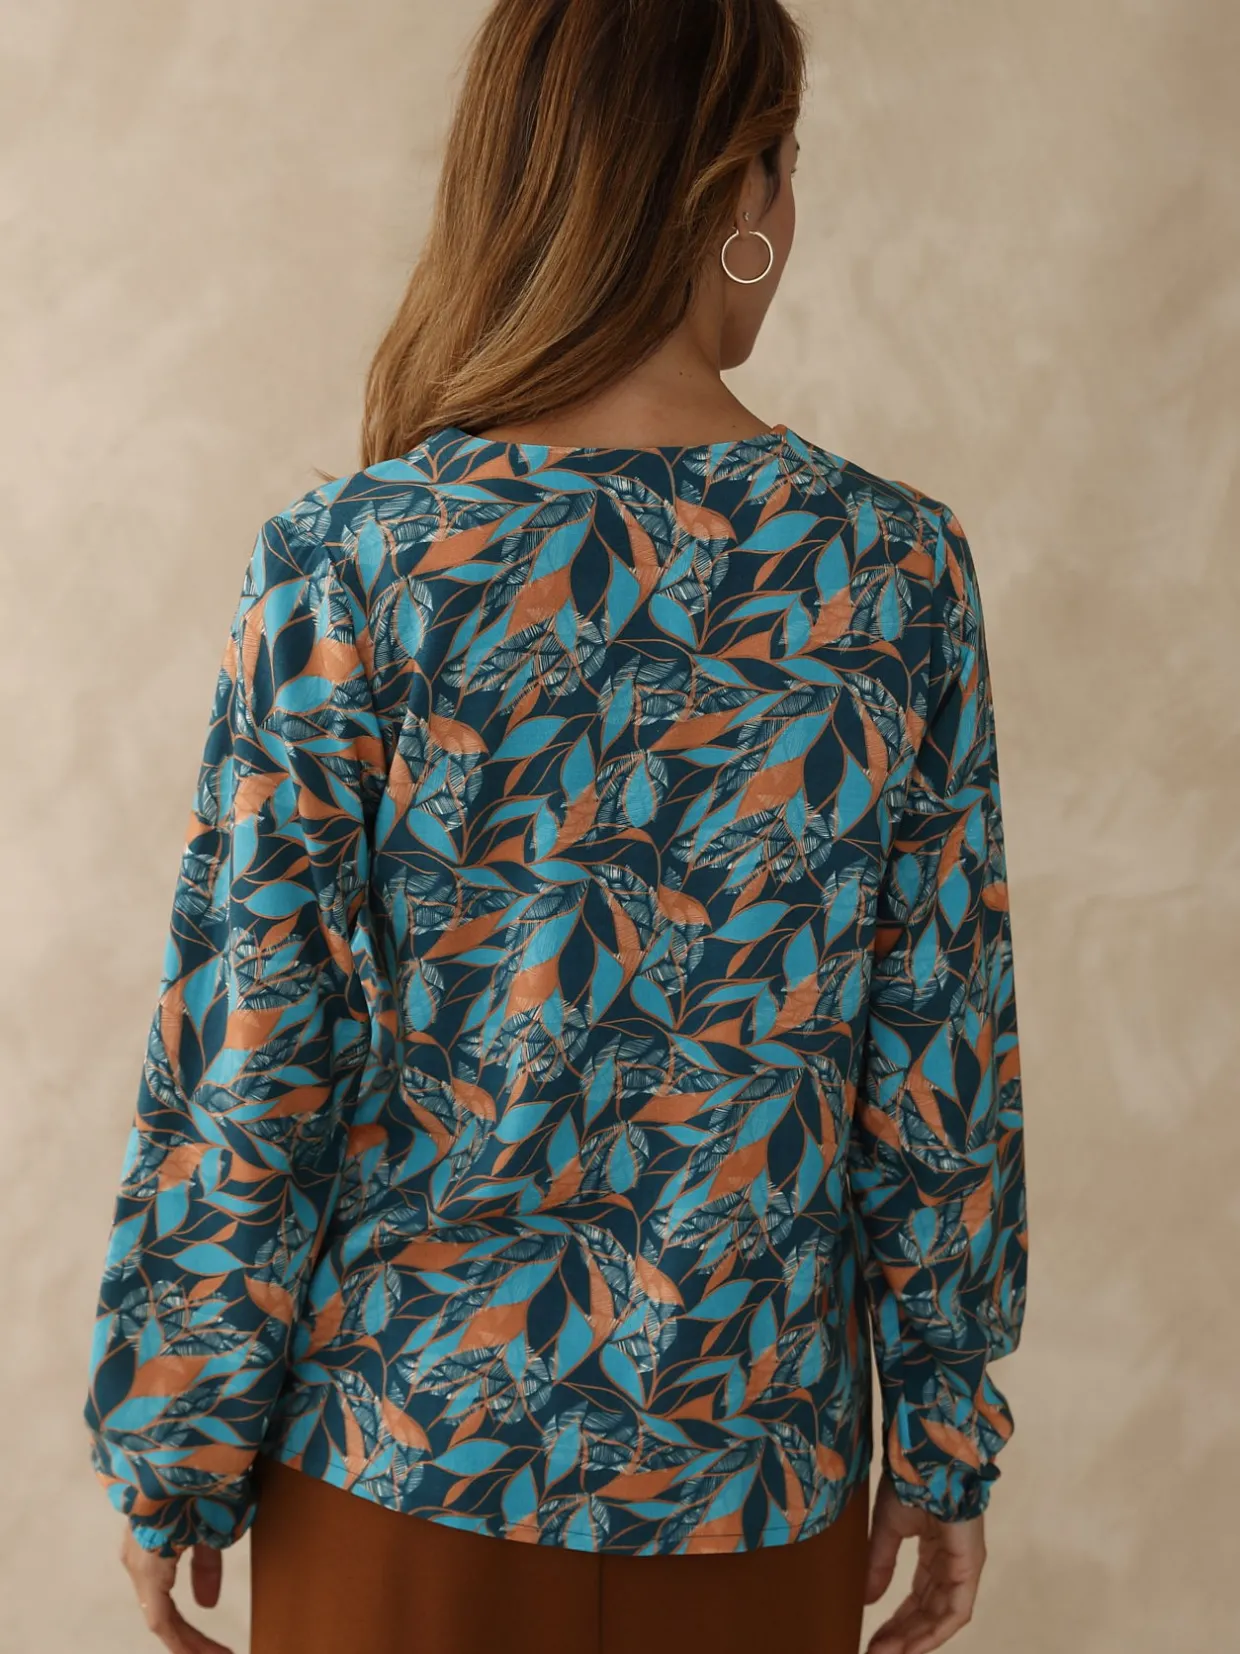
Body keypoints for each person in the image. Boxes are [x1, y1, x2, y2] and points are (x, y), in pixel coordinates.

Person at [80, 2, 1029, 1651]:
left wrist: (179, 1440)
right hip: (753, 1473)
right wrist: (944, 1434)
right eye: (787, 165)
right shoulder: (893, 574)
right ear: (738, 191)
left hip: (396, 1464)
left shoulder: (352, 560)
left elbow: (257, 1041)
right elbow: (936, 1058)